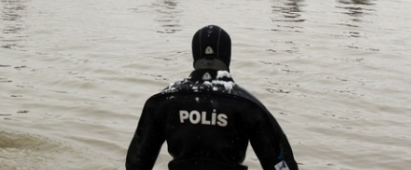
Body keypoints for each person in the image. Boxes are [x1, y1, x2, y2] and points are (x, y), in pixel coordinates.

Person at [126, 25, 298, 170]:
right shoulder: (247, 105)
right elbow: (282, 166)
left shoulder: (163, 101)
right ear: (227, 55)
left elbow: (136, 164)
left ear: (195, 55)